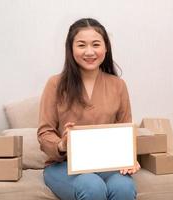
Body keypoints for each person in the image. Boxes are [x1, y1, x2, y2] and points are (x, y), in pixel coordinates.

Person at [37, 18, 140, 200]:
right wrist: (62, 144)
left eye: (96, 44)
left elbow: (125, 129)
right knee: (92, 186)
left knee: (124, 186)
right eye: (81, 45)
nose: (90, 52)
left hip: (107, 165)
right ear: (71, 49)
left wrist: (130, 160)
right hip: (63, 166)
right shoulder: (55, 84)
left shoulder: (118, 85)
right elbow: (45, 133)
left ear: (106, 48)